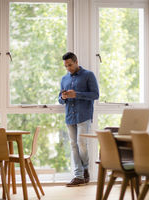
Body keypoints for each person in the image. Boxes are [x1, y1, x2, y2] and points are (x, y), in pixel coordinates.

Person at [58, 52, 99, 187]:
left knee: (82, 144)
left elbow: (95, 94)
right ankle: (79, 176)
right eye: (66, 66)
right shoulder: (64, 79)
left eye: (70, 65)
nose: (68, 68)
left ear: (76, 62)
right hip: (70, 116)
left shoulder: (88, 75)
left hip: (84, 115)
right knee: (73, 145)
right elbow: (60, 99)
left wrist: (77, 94)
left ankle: (85, 168)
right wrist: (63, 97)